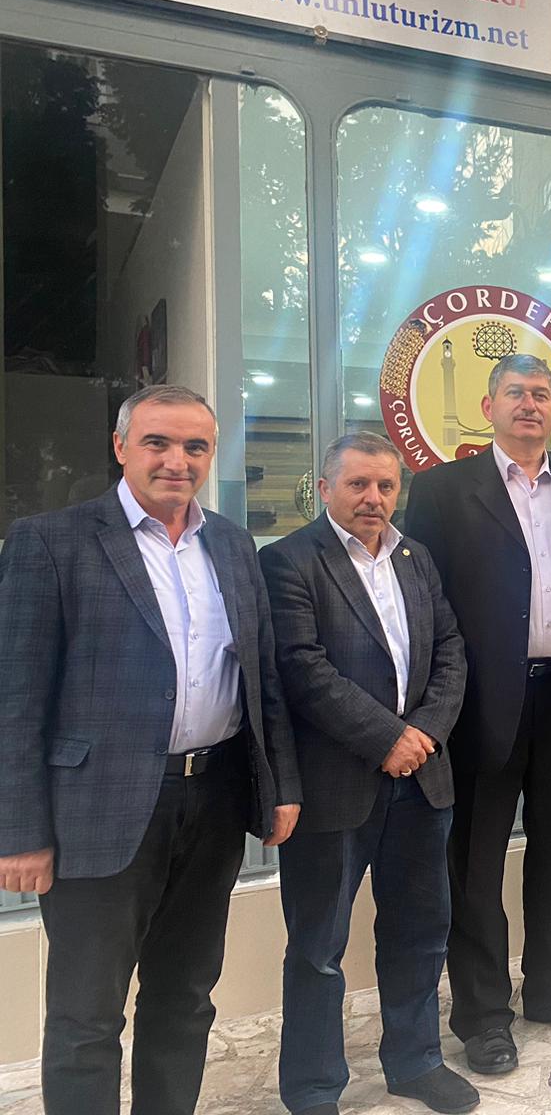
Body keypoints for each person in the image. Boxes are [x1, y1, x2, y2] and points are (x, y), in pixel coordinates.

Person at [0, 384, 301, 1114]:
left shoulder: (232, 545)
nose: (177, 460)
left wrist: (280, 786)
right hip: (97, 812)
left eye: (195, 446)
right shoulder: (52, 542)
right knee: (86, 1015)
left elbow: (260, 678)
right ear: (120, 447)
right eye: (157, 443)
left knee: (186, 995)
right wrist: (20, 831)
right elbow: (16, 698)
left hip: (214, 799)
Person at [404, 354, 551, 1074]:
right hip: (479, 707)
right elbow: (424, 607)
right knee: (474, 866)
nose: (530, 404)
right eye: (516, 393)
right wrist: (432, 706)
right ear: (488, 406)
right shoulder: (442, 490)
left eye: (541, 394)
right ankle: (483, 1016)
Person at [260, 433, 475, 1115]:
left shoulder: (417, 558)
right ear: (325, 489)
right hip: (334, 788)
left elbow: (451, 650)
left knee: (420, 931)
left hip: (422, 782)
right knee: (319, 948)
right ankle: (314, 1088)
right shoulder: (289, 561)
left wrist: (424, 735)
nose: (373, 498)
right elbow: (302, 669)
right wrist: (388, 738)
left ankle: (416, 1062)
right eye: (357, 484)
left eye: (385, 485)